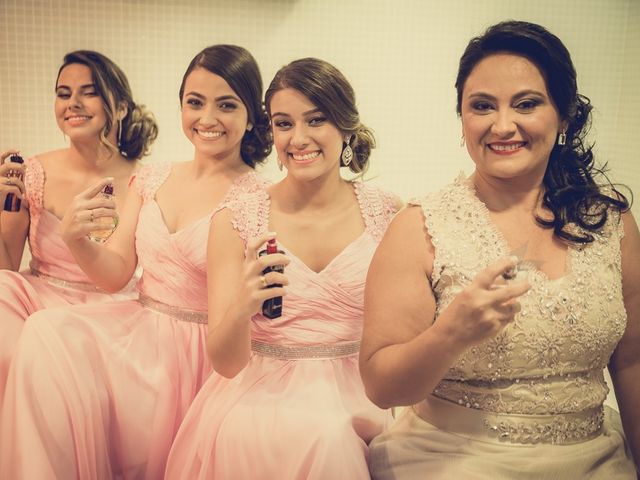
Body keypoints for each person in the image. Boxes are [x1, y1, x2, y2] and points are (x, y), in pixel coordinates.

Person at [360, 20, 639, 479]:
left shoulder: (611, 224)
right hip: (454, 461)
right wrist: (450, 334)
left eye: (526, 104)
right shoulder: (419, 227)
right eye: (482, 106)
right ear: (463, 119)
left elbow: (631, 362)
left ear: (564, 116)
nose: (502, 125)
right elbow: (381, 386)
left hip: (595, 462)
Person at [0, 44, 271, 479]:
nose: (207, 119)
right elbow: (116, 274)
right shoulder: (154, 176)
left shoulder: (259, 196)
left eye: (226, 105)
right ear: (180, 105)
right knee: (49, 332)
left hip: (201, 352)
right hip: (138, 332)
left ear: (252, 115)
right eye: (195, 102)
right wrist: (77, 240)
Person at [164, 57, 401, 480]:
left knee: (338, 437)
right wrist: (242, 305)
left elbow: (401, 331)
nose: (299, 138)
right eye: (284, 123)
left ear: (345, 126)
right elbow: (226, 362)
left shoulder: (387, 213)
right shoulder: (236, 218)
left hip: (361, 392)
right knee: (322, 439)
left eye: (316, 120)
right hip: (261, 394)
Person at [0, 50, 158, 404]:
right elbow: (6, 264)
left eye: (88, 92)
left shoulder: (145, 181)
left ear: (119, 107)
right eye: (63, 93)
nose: (72, 103)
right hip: (37, 302)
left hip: (114, 313)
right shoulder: (33, 171)